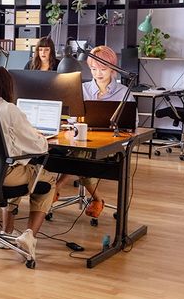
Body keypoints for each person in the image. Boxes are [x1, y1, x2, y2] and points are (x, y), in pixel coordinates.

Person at [0, 66, 57, 260]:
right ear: (7, 87)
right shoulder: (9, 109)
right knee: (47, 182)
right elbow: (39, 147)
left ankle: (8, 229)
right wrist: (41, 137)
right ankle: (29, 236)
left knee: (20, 169)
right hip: (1, 176)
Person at [56, 45, 135, 218]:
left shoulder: (124, 93)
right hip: (82, 139)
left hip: (110, 144)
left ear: (113, 68)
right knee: (66, 153)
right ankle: (96, 199)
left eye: (103, 69)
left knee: (79, 156)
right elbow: (71, 118)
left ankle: (57, 188)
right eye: (93, 69)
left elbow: (131, 124)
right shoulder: (82, 89)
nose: (98, 73)